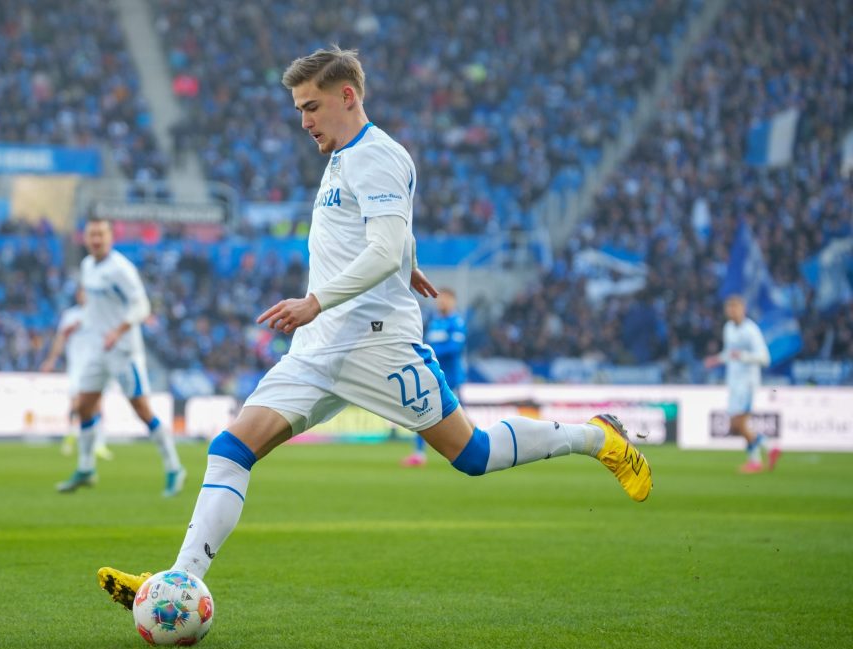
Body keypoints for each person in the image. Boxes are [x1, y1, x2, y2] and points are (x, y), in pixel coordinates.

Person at [97, 46, 651, 607]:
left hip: (375, 344)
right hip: (318, 348)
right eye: (298, 110)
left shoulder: (377, 155)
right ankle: (179, 582)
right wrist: (407, 262)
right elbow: (387, 235)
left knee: (474, 455)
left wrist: (321, 299)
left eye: (311, 107)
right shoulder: (341, 158)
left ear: (347, 96)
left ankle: (596, 437)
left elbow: (383, 245)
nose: (304, 122)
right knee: (230, 448)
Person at [56, 219, 186, 497]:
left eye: (101, 234)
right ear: (85, 238)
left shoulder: (121, 269)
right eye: (92, 234)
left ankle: (174, 467)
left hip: (123, 351)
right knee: (84, 406)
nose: (96, 240)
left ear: (110, 237)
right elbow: (95, 307)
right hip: (97, 349)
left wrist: (118, 331)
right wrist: (81, 323)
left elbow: (142, 306)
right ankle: (86, 468)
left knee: (142, 410)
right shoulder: (87, 266)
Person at [703, 295, 781, 473]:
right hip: (733, 382)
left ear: (743, 309)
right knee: (735, 427)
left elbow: (765, 358)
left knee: (739, 424)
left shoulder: (751, 330)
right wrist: (716, 359)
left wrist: (743, 356)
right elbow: (729, 353)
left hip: (747, 384)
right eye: (729, 308)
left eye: (735, 308)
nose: (731, 311)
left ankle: (757, 460)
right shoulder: (728, 328)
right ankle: (769, 449)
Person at [40, 287, 113, 461]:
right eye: (80, 293)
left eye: (85, 293)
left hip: (96, 365)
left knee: (98, 404)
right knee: (75, 403)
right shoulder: (70, 316)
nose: (82, 296)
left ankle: (99, 443)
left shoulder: (99, 314)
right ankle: (71, 435)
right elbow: (60, 339)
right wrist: (51, 359)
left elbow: (108, 337)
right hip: (77, 367)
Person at [403, 288, 466, 466]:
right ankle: (419, 453)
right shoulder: (435, 322)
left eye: (445, 299)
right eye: (439, 299)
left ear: (452, 301)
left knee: (460, 414)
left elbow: (455, 348)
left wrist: (432, 351)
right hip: (433, 376)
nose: (441, 302)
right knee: (422, 411)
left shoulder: (456, 322)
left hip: (452, 377)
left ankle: (468, 447)